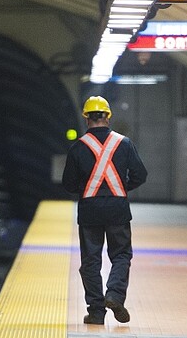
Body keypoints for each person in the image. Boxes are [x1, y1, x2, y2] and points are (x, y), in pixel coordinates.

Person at [62, 96, 147, 325]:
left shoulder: (78, 147)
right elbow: (141, 175)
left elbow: (68, 184)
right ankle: (115, 295)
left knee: (90, 261)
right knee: (121, 255)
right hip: (117, 209)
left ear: (87, 118)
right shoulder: (125, 144)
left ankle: (96, 312)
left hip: (89, 210)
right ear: (108, 117)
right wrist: (119, 187)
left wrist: (88, 188)